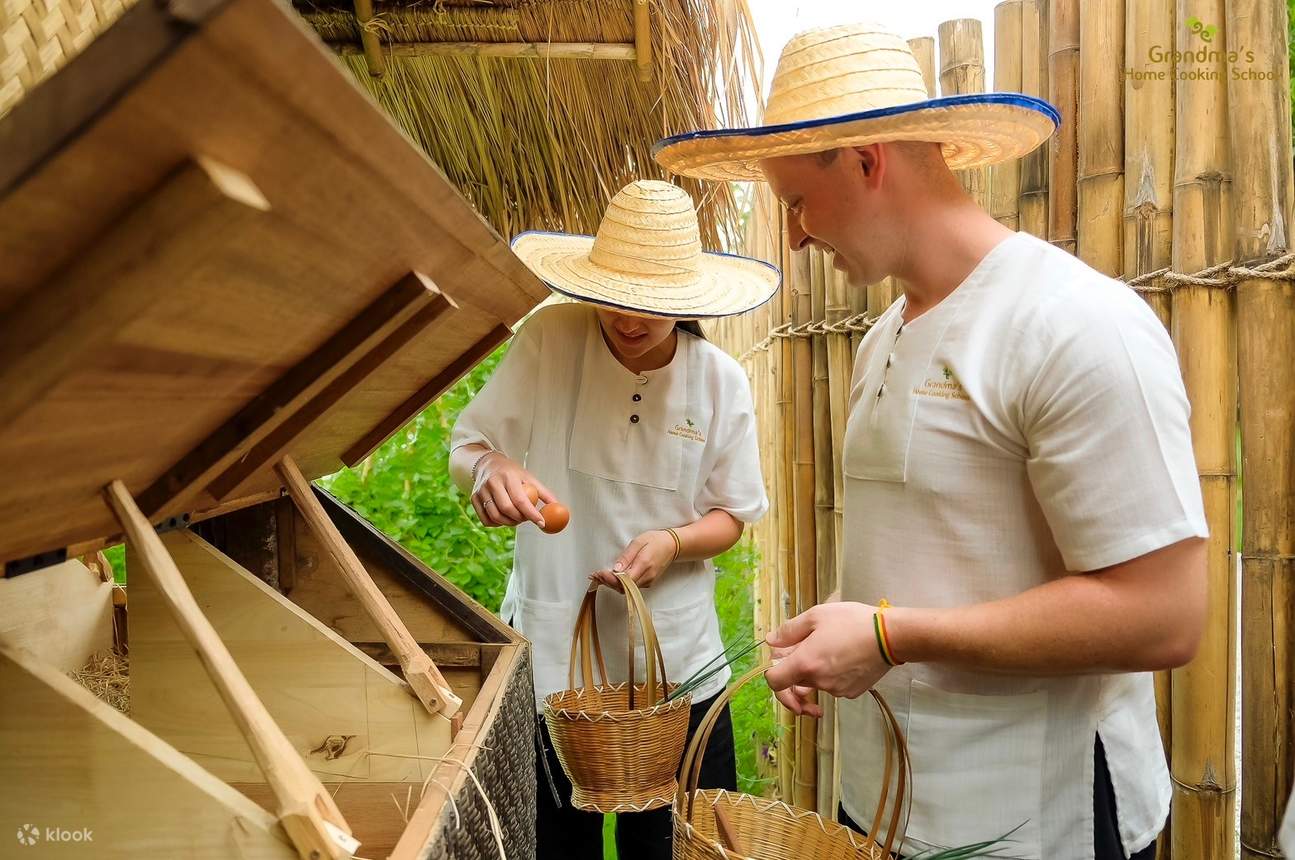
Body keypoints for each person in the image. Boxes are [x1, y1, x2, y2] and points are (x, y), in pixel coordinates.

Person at [655, 21, 1208, 860]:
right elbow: (926, 561)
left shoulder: (1073, 324)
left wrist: (885, 636)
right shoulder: (883, 336)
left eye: (796, 201)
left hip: (1035, 815)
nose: (794, 235)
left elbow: (1162, 615)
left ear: (867, 159)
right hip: (885, 801)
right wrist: (845, 638)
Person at [448, 179, 779, 860]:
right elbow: (470, 445)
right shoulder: (551, 340)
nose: (627, 319)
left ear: (684, 303)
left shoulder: (719, 381)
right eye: (612, 299)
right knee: (553, 844)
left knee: (669, 848)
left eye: (650, 307)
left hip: (674, 667)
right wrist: (490, 471)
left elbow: (731, 517)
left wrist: (672, 541)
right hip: (552, 661)